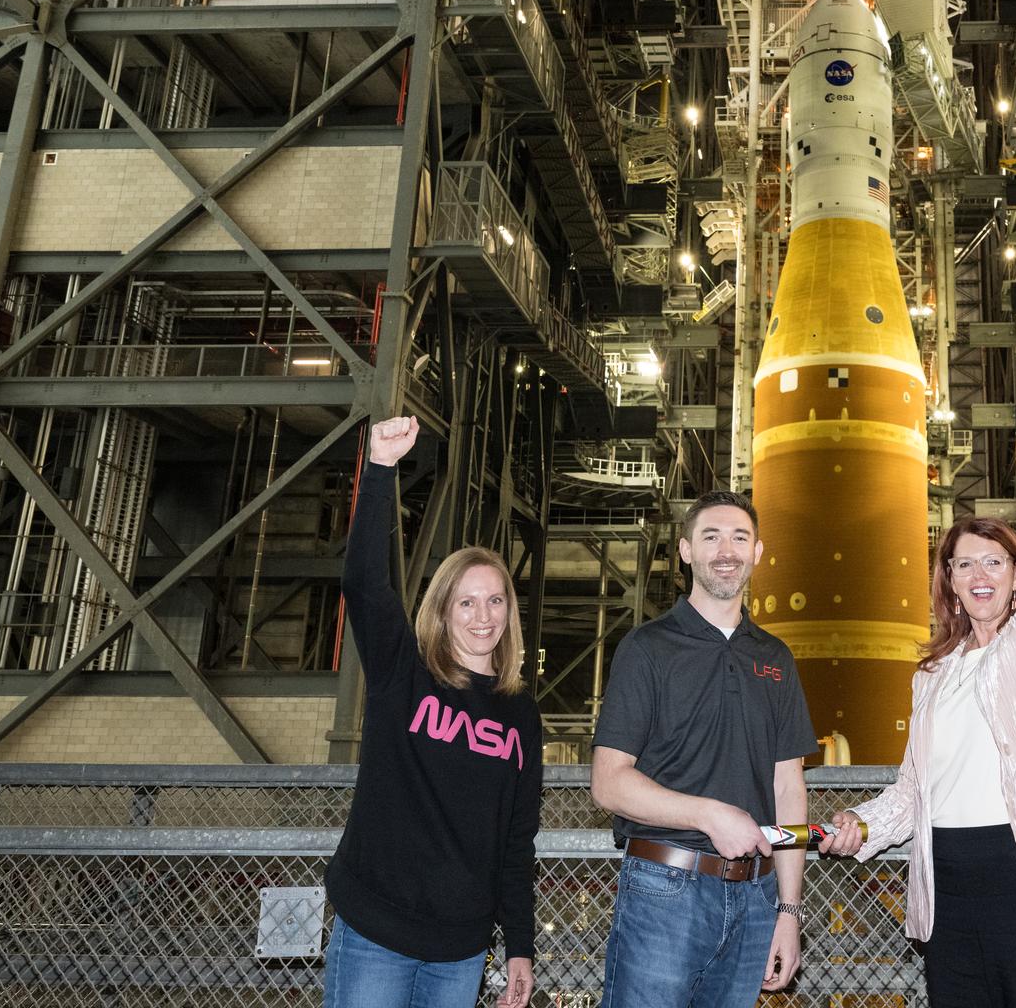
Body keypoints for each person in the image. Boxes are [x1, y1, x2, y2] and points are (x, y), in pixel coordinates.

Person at [817, 355, 1016, 1006]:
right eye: (963, 563)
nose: (978, 572)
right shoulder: (934, 674)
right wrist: (859, 823)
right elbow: (914, 793)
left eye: (993, 559)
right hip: (950, 884)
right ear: (952, 585)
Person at [324, 416, 540, 1008]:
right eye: (466, 601)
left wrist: (519, 945)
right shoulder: (405, 672)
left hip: (462, 951)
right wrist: (380, 469)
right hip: (377, 933)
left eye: (495, 600)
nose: (482, 616)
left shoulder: (520, 710)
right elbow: (366, 585)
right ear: (443, 611)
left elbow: (517, 839)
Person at [590, 488, 814, 1007]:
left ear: (757, 553)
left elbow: (788, 785)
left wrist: (788, 910)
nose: (726, 550)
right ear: (687, 551)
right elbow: (608, 781)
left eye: (740, 537)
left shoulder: (775, 657)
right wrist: (708, 815)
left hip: (757, 896)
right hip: (664, 886)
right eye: (711, 537)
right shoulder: (647, 648)